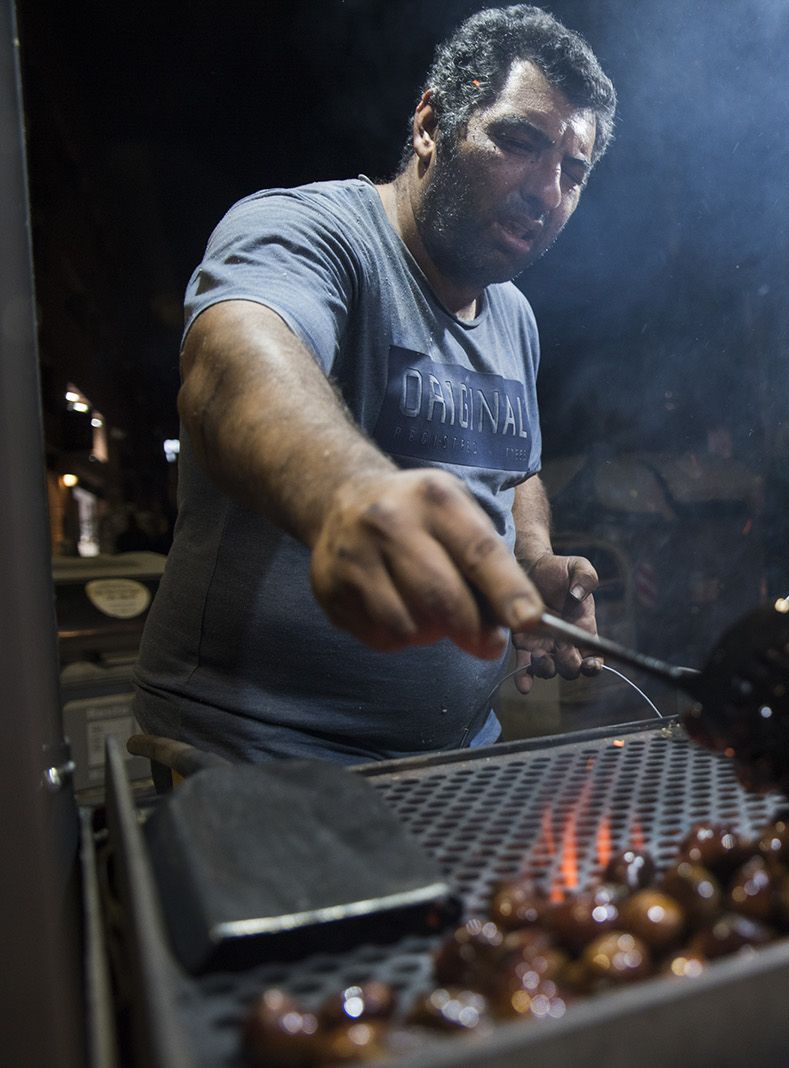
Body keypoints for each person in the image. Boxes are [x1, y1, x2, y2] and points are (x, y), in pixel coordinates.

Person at [132, 6, 617, 763]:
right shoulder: (308, 233)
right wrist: (348, 495)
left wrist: (532, 555)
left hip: (454, 753)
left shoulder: (514, 315)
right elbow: (233, 367)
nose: (547, 190)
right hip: (260, 755)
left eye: (573, 172)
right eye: (520, 142)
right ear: (431, 125)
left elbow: (512, 462)